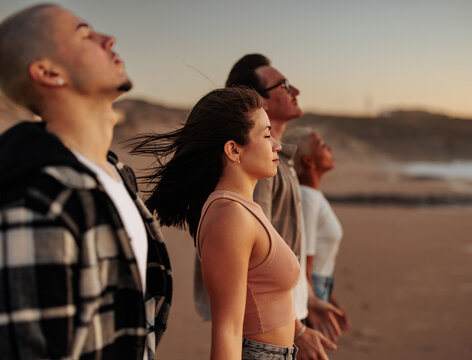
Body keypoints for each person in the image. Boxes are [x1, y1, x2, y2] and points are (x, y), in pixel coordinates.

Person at [0, 4, 172, 359]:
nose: (108, 39)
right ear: (48, 72)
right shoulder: (40, 194)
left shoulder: (116, 176)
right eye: (85, 34)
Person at [131, 87, 300, 359]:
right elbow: (227, 330)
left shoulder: (241, 208)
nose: (276, 144)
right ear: (233, 149)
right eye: (266, 135)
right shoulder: (229, 216)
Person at [225, 54, 344, 359]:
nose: (296, 91)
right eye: (284, 85)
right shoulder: (260, 170)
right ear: (260, 103)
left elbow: (285, 252)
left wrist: (310, 299)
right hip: (270, 332)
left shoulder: (281, 163)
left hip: (284, 321)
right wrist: (297, 331)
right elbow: (254, 263)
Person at [283, 127, 352, 340]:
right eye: (322, 145)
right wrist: (313, 299)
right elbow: (305, 260)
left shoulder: (313, 195)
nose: (329, 148)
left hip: (319, 287)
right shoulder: (308, 199)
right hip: (310, 291)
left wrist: (329, 296)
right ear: (309, 161)